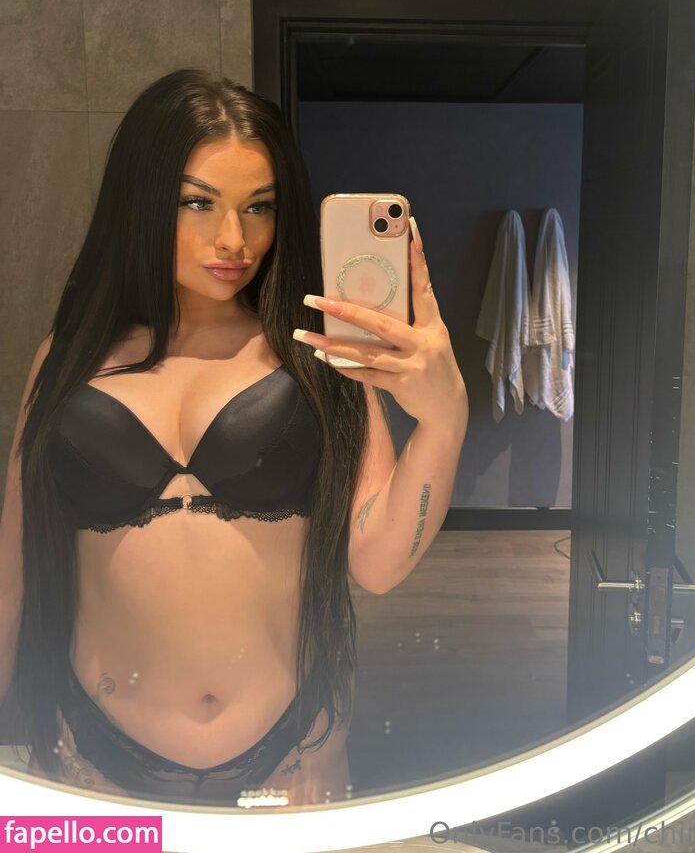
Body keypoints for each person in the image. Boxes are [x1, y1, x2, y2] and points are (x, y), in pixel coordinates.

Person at [0, 69, 469, 807]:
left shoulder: (317, 355)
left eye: (259, 207)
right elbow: (13, 569)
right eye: (198, 203)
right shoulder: (67, 359)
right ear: (142, 201)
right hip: (89, 758)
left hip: (291, 760)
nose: (234, 239)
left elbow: (378, 562)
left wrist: (445, 418)